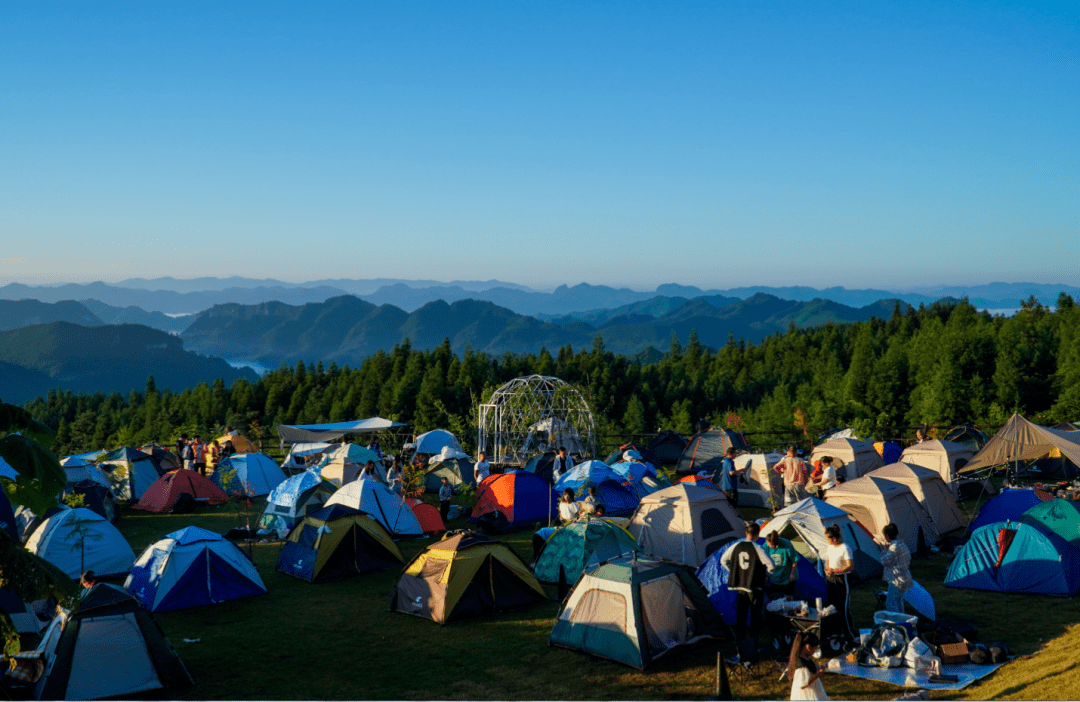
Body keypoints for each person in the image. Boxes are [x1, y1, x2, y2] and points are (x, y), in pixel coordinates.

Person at [720, 522, 775, 662]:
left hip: (740, 585)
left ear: (746, 533)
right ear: (757, 535)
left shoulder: (735, 546)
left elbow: (723, 560)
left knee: (741, 615)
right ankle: (754, 645)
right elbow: (771, 565)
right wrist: (765, 575)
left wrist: (734, 572)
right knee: (755, 615)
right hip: (754, 586)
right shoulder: (758, 548)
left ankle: (740, 645)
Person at [823, 524, 856, 644]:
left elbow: (850, 566)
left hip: (843, 579)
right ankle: (836, 631)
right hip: (831, 579)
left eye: (828, 539)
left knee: (844, 607)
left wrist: (835, 571)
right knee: (832, 606)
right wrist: (827, 569)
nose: (827, 541)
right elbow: (827, 561)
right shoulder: (830, 547)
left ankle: (850, 635)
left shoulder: (845, 548)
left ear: (834, 538)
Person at [880, 523, 913, 614]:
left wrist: (884, 551)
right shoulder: (903, 545)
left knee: (890, 603)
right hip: (905, 576)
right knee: (898, 601)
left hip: (897, 579)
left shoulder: (893, 548)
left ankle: (897, 624)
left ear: (887, 536)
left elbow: (884, 561)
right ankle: (902, 623)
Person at [788, 632, 828, 700]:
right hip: (806, 696)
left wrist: (817, 667)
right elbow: (803, 684)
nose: (815, 651)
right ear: (808, 647)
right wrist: (819, 673)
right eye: (815, 649)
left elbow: (809, 670)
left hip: (814, 692)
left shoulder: (806, 659)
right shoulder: (800, 663)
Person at [763, 530, 800, 599]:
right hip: (775, 577)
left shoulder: (786, 544)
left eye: (771, 545)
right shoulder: (765, 545)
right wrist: (765, 574)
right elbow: (763, 560)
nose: (770, 546)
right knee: (776, 598)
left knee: (788, 598)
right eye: (768, 544)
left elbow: (794, 560)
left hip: (787, 576)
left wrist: (792, 573)